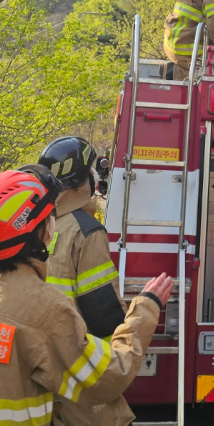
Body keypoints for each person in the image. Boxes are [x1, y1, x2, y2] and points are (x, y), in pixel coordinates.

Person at [0, 165, 172, 426]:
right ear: (36, 231)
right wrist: (146, 308)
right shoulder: (46, 308)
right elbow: (108, 378)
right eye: (48, 216)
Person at [39, 136, 126, 338]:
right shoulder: (87, 231)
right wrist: (120, 353)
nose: (94, 175)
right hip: (73, 350)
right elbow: (102, 308)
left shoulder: (35, 221)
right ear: (79, 180)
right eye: (89, 170)